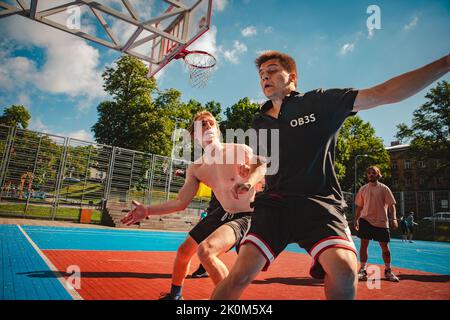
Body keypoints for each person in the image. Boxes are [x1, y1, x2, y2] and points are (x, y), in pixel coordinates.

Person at [211, 51, 449, 300]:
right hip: (275, 205)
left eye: (271, 71)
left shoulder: (320, 102)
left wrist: (444, 64)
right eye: (261, 74)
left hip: (319, 202)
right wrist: (249, 179)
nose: (264, 77)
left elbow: (382, 92)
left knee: (345, 271)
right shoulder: (259, 122)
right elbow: (263, 162)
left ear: (292, 77)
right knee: (239, 274)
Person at [121, 111, 265, 300]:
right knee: (183, 252)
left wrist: (250, 179)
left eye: (210, 123)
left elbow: (262, 167)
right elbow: (181, 202)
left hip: (248, 214)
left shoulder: (240, 149)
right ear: (195, 136)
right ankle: (175, 295)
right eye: (201, 125)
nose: (207, 126)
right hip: (224, 211)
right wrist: (147, 210)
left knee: (206, 252)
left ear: (218, 129)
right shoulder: (196, 168)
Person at [354, 166, 399, 282]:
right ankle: (363, 271)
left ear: (378, 174)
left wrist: (394, 219)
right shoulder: (363, 189)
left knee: (385, 247)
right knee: (363, 245)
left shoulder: (384, 188)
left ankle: (388, 271)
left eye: (373, 173)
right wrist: (356, 219)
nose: (370, 175)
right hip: (365, 220)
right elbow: (359, 206)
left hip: (381, 221)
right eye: (369, 173)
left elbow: (392, 205)